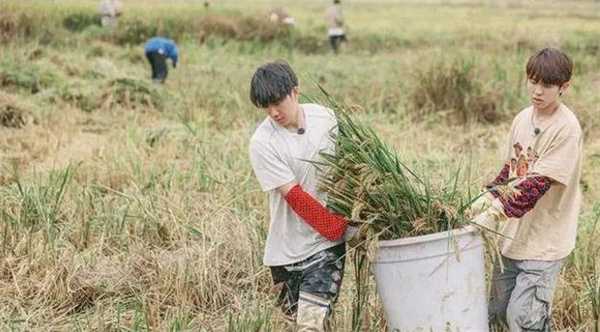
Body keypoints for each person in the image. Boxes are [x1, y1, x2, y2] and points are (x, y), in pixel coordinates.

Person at [471, 48, 583, 331]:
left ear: (564, 87)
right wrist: (489, 195)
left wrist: (495, 212)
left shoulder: (566, 129)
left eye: (546, 85)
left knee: (524, 320)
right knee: (495, 315)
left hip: (544, 242)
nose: (537, 91)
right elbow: (511, 171)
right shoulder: (522, 118)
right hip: (512, 239)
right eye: (533, 81)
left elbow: (535, 185)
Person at [248, 61, 354, 331]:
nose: (273, 112)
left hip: (324, 248)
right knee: (292, 325)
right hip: (284, 253)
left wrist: (349, 223)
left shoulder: (327, 119)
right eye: (266, 107)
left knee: (311, 325)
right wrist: (338, 228)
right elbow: (295, 197)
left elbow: (351, 169)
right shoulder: (263, 143)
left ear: (295, 92)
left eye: (277, 102)